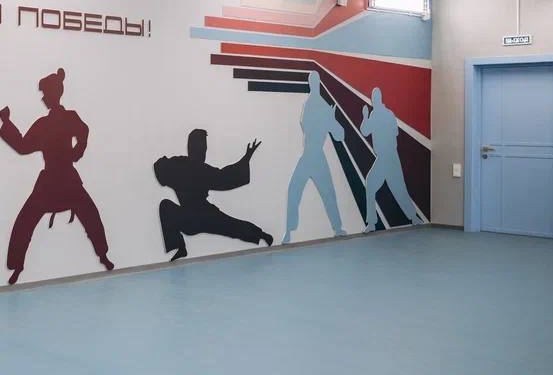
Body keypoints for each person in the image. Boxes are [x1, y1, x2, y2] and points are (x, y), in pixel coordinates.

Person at [0, 68, 113, 284]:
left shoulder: (63, 119)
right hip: (55, 180)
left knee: (90, 215)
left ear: (54, 94)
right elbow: (23, 146)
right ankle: (17, 267)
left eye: (45, 94)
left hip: (62, 180)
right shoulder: (47, 123)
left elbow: (83, 132)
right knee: (26, 221)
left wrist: (78, 150)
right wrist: (7, 123)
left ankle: (103, 255)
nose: (43, 98)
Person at [155, 129, 273, 261]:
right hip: (198, 217)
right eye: (202, 148)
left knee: (166, 206)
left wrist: (246, 157)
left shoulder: (179, 165)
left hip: (195, 218)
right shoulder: (193, 168)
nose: (203, 152)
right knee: (232, 226)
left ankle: (262, 235)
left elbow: (160, 166)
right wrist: (246, 158)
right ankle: (262, 235)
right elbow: (225, 177)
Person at [283, 72, 347, 243]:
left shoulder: (322, 107)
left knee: (327, 193)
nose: (312, 84)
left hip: (316, 156)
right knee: (294, 190)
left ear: (317, 83)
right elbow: (307, 127)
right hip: (309, 156)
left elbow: (339, 135)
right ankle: (289, 231)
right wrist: (329, 119)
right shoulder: (310, 104)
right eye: (311, 82)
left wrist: (331, 119)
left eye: (314, 82)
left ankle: (338, 228)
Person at [361, 87, 424, 231]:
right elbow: (395, 132)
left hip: (385, 157)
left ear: (376, 99)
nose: (373, 100)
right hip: (391, 156)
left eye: (374, 98)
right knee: (398, 188)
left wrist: (365, 116)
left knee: (374, 184)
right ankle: (413, 218)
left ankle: (372, 223)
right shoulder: (389, 114)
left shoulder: (375, 114)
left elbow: (364, 131)